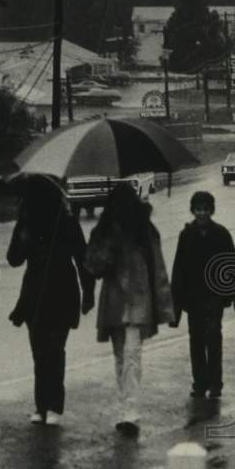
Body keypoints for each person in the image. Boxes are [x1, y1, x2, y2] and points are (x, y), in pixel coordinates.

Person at [84, 184, 175, 436]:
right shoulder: (102, 232)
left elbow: (158, 267)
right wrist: (107, 248)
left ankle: (130, 411)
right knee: (121, 358)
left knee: (132, 355)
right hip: (114, 302)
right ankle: (125, 405)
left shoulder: (144, 231)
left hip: (139, 300)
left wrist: (165, 305)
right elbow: (92, 267)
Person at [7, 176, 95, 426]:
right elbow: (14, 259)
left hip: (62, 291)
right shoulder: (26, 224)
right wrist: (21, 237)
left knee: (54, 350)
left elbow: (82, 257)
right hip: (34, 294)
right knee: (39, 351)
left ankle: (54, 405)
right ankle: (41, 405)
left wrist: (88, 292)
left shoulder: (66, 223)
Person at [170, 191, 235, 400]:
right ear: (192, 211)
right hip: (193, 298)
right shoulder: (186, 235)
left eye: (205, 209)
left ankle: (215, 383)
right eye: (198, 209)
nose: (202, 213)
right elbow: (179, 270)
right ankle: (199, 382)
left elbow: (232, 265)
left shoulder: (221, 234)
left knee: (213, 338)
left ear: (212, 210)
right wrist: (175, 305)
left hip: (214, 297)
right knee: (196, 340)